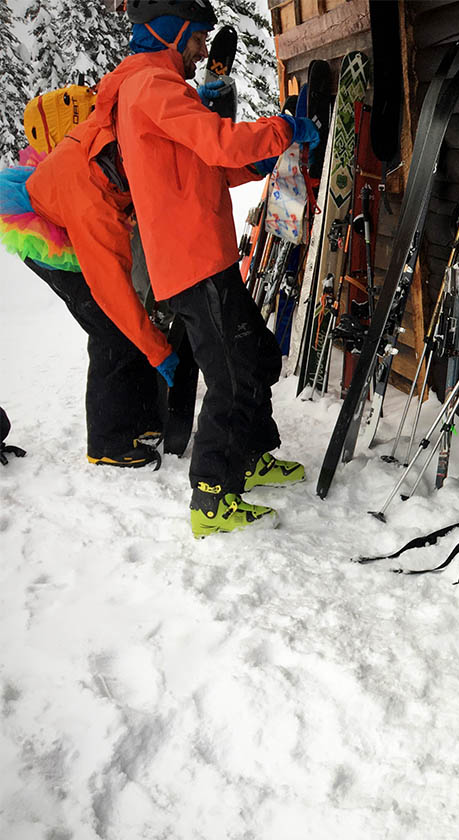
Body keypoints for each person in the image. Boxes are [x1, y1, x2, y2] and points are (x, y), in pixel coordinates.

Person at [91, 0, 320, 537]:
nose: (202, 49)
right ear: (169, 33)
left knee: (256, 354)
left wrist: (259, 158)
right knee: (231, 376)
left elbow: (206, 165)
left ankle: (251, 453)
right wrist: (281, 129)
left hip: (205, 254)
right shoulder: (152, 88)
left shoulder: (158, 88)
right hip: (192, 261)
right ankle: (212, 496)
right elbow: (219, 141)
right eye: (196, 38)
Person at [0, 86, 174, 468]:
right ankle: (107, 442)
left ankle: (142, 420)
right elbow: (108, 278)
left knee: (121, 325)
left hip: (67, 212)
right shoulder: (86, 178)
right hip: (53, 237)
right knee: (110, 328)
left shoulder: (106, 132)